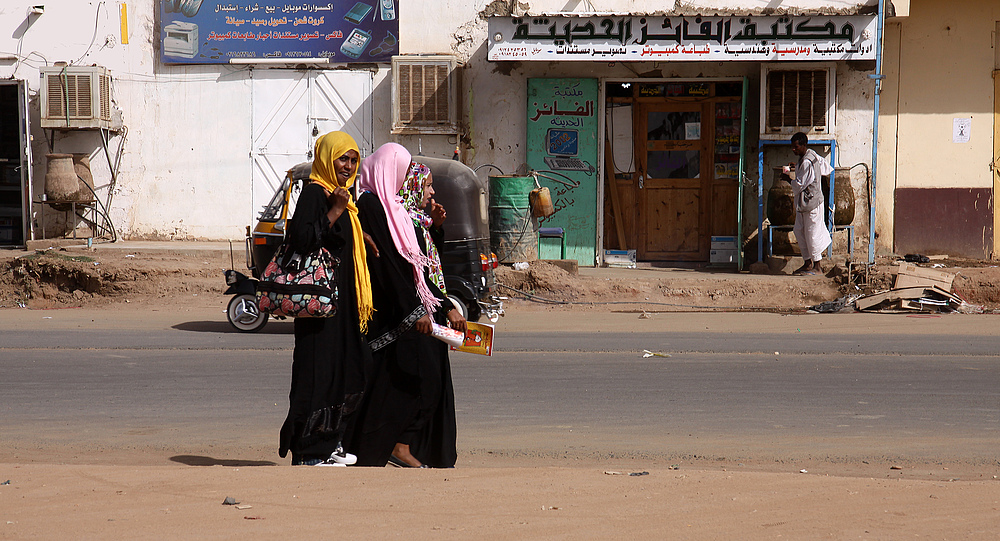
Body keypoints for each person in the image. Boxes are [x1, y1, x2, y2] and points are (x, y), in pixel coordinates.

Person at [350, 144, 465, 468]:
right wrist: (415, 311)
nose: (430, 191)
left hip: (415, 308)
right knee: (412, 381)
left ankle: (404, 445)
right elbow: (388, 266)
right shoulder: (372, 205)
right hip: (393, 313)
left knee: (421, 379)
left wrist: (442, 307)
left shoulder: (396, 211)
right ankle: (392, 446)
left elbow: (421, 269)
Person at [277, 131, 374, 466]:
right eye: (341, 159)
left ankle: (329, 442)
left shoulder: (341, 195)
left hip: (339, 305)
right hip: (319, 307)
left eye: (352, 160)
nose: (347, 166)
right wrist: (334, 210)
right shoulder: (315, 194)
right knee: (318, 373)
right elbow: (302, 239)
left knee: (346, 369)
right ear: (326, 158)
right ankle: (309, 450)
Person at [789, 131, 834, 276]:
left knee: (812, 233)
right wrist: (797, 167)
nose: (794, 150)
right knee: (799, 230)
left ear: (804, 145)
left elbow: (800, 184)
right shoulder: (810, 155)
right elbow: (825, 167)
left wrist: (787, 179)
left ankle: (817, 265)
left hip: (812, 203)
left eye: (796, 147)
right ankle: (807, 262)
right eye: (793, 147)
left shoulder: (807, 161)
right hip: (804, 204)